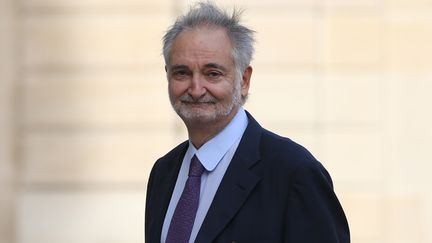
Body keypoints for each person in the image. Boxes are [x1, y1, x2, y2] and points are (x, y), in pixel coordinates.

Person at [145, 2, 350, 243]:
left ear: (243, 80)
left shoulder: (293, 173)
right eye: (182, 73)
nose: (196, 89)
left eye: (213, 74)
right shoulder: (163, 173)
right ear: (167, 76)